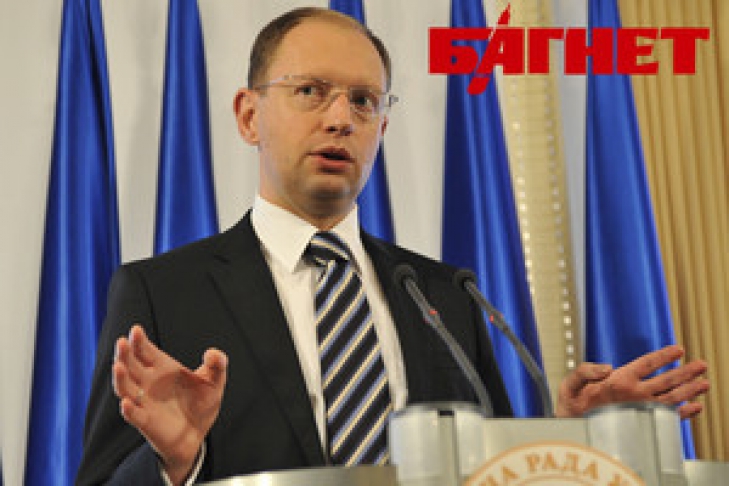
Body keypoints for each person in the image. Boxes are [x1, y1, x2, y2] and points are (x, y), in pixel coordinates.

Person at [75, 7, 709, 486]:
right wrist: (173, 461)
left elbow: (488, 472)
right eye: (310, 91)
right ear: (248, 115)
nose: (340, 119)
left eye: (363, 101)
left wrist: (566, 436)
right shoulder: (163, 292)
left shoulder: (445, 295)